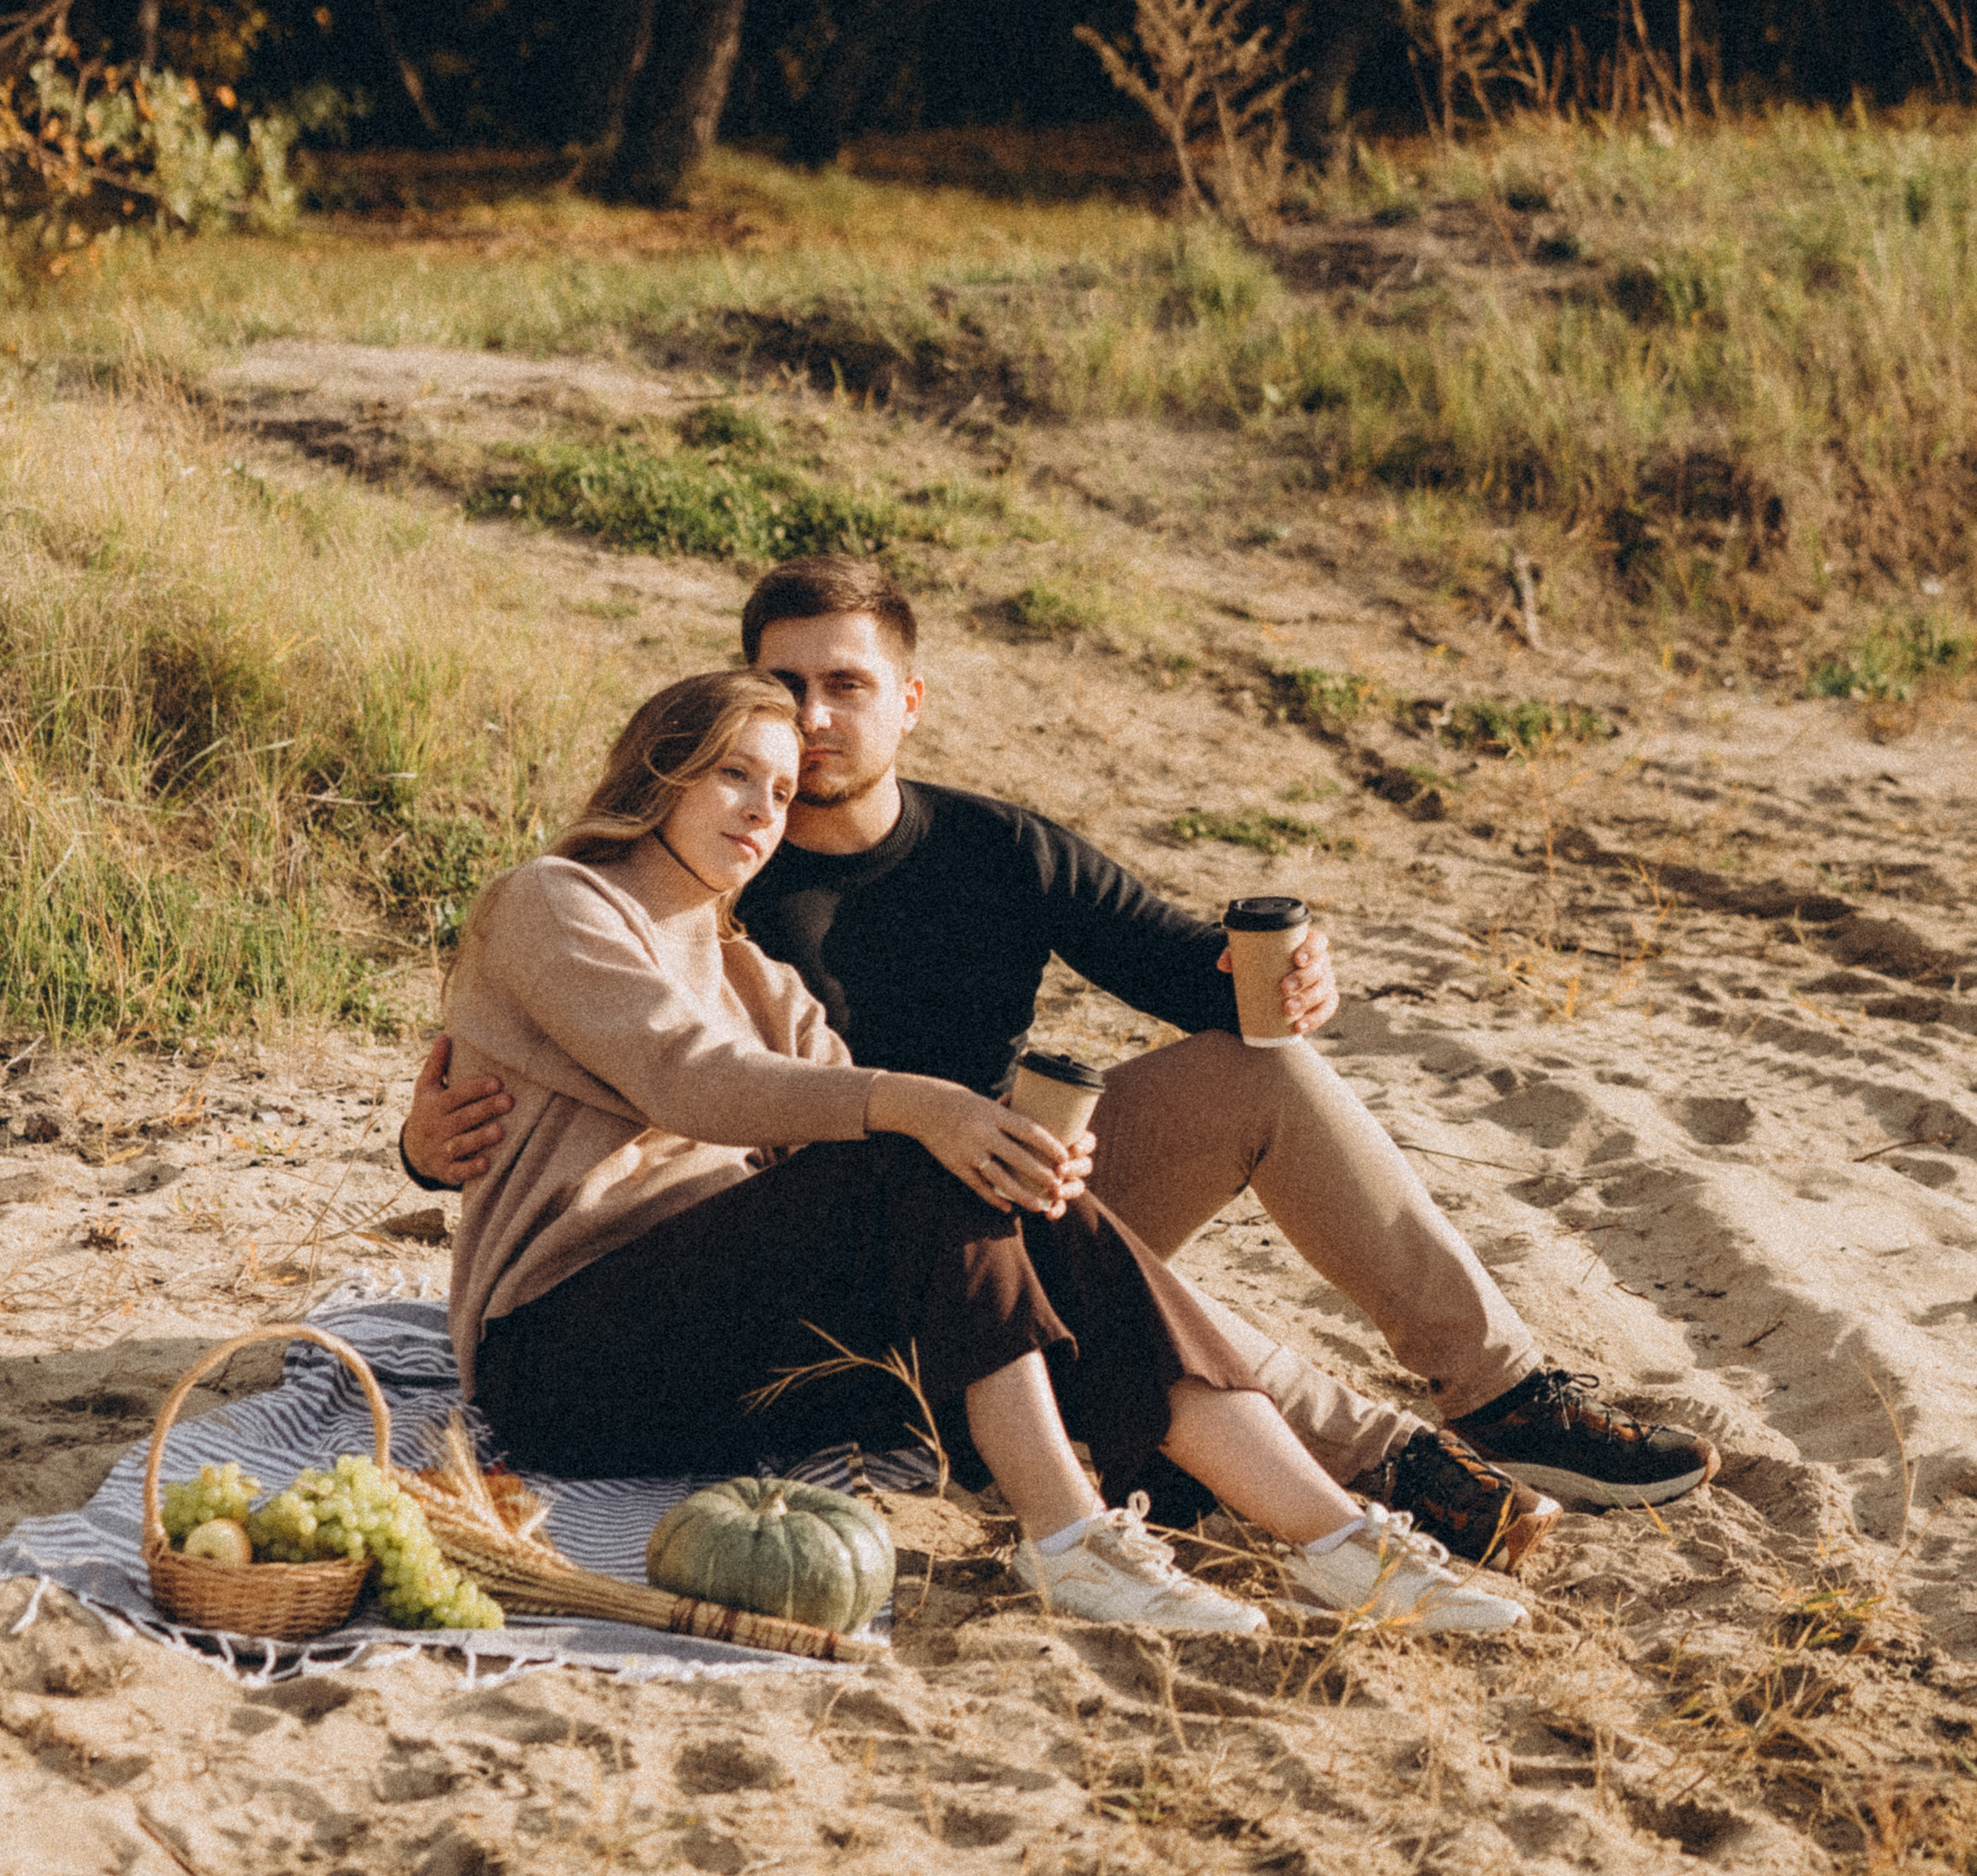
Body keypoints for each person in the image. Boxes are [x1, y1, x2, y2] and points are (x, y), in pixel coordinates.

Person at [407, 555, 1719, 1564]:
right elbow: (589, 1072)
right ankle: (1367, 1473)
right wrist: (422, 1145)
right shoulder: (694, 885)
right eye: (780, 699)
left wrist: (1291, 973)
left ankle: (1506, 1399)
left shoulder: (988, 852)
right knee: (981, 1202)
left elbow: (1192, 968)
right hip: (841, 1247)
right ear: (693, 756)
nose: (803, 736)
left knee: (1262, 1075)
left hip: (990, 1200)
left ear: (907, 701)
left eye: (844, 687)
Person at [441, 665, 1531, 1637]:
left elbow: (817, 1112)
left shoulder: (750, 974)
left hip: (732, 1363)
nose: (763, 812)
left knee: (982, 1174)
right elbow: (694, 1082)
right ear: (662, 771)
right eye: (734, 775)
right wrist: (927, 1111)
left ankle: (1341, 1541)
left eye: (780, 792)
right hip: (564, 1361)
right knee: (918, 1143)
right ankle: (1068, 1538)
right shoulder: (556, 900)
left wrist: (997, 1162)